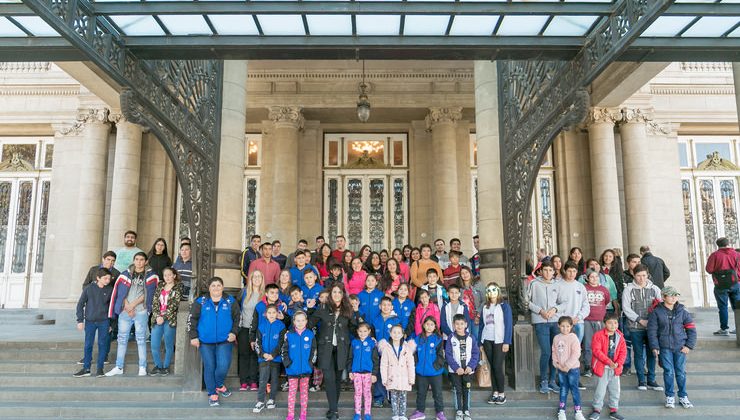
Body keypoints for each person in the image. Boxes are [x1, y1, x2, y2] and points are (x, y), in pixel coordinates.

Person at [187, 277, 240, 406]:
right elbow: (191, 319)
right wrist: (193, 336)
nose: (216, 288)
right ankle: (212, 393)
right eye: (213, 285)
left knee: (223, 366)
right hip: (205, 341)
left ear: (222, 287)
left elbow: (238, 318)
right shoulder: (201, 301)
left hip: (225, 340)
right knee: (209, 366)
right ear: (209, 288)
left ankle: (219, 384)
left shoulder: (230, 301)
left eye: (218, 285)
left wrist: (234, 332)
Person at [106, 252, 158, 377]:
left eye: (141, 260)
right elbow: (119, 291)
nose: (139, 262)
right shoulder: (125, 274)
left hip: (140, 310)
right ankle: (119, 366)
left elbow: (149, 294)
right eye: (137, 259)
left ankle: (142, 367)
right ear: (134, 260)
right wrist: (127, 306)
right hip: (125, 311)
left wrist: (132, 305)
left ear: (145, 261)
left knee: (140, 339)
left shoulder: (151, 276)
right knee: (122, 339)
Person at [309, 284, 356, 420]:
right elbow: (310, 323)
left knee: (336, 381)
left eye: (339, 292)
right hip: (326, 349)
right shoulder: (323, 308)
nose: (336, 294)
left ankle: (332, 409)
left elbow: (354, 329)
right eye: (334, 292)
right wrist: (310, 309)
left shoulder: (348, 309)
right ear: (330, 294)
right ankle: (334, 411)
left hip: (341, 349)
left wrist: (357, 313)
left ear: (343, 295)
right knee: (329, 379)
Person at [648, 286, 697, 410]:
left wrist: (688, 345)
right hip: (664, 347)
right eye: (671, 295)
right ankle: (670, 396)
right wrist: (655, 346)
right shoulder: (656, 312)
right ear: (663, 297)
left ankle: (683, 396)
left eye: (676, 295)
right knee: (669, 372)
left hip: (680, 347)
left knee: (680, 372)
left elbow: (691, 330)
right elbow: (652, 331)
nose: (674, 297)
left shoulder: (683, 311)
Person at [622, 264, 663, 392]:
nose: (641, 278)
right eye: (638, 275)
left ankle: (651, 379)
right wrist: (640, 320)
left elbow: (661, 305)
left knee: (652, 353)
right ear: (634, 275)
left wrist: (652, 322)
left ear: (648, 275)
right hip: (635, 327)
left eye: (644, 275)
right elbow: (626, 308)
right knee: (639, 354)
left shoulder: (655, 289)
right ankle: (641, 380)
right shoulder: (628, 289)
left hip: (652, 328)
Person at [528, 260, 561, 394]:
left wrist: (555, 309)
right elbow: (527, 301)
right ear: (541, 271)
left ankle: (553, 380)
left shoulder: (558, 285)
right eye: (545, 270)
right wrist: (540, 311)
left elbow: (563, 302)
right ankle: (544, 380)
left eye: (550, 270)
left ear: (554, 272)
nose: (548, 273)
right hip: (540, 321)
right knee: (546, 351)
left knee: (555, 352)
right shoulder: (534, 283)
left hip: (555, 321)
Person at [74, 268, 113, 378]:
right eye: (105, 278)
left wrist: (111, 324)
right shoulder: (89, 289)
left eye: (109, 279)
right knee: (88, 345)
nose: (107, 280)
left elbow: (113, 308)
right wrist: (80, 320)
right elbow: (80, 305)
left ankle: (100, 369)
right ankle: (86, 368)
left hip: (104, 322)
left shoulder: (110, 290)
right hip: (90, 321)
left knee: (102, 344)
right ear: (98, 278)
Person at [477, 282, 512, 405]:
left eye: (494, 290)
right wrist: (479, 342)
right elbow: (481, 325)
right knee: (493, 367)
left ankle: (502, 393)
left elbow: (508, 325)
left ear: (498, 291)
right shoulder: (485, 307)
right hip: (487, 340)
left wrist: (507, 342)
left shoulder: (504, 306)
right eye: (489, 290)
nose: (491, 293)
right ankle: (495, 392)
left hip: (499, 341)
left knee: (497, 366)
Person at [588, 313, 627, 420]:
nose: (613, 325)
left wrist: (619, 363)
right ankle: (597, 410)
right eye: (610, 323)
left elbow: (623, 352)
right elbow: (597, 351)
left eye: (615, 323)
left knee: (615, 390)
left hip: (615, 368)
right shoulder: (598, 335)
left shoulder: (620, 336)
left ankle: (613, 410)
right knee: (600, 390)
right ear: (604, 323)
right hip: (602, 367)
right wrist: (608, 362)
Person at [410, 317, 446, 420]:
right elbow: (413, 354)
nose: (429, 326)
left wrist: (435, 366)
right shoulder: (418, 339)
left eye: (431, 324)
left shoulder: (438, 339)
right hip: (421, 372)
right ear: (423, 325)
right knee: (421, 392)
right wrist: (416, 365)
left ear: (435, 326)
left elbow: (440, 356)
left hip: (435, 372)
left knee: (437, 393)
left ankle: (440, 412)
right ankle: (420, 411)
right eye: (427, 324)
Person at [282, 310, 316, 420]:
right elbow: (284, 351)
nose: (300, 323)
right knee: (292, 393)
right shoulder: (289, 335)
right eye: (298, 320)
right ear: (294, 322)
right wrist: (288, 364)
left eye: (302, 320)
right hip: (292, 370)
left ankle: (303, 414)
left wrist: (310, 364)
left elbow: (314, 351)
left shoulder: (310, 335)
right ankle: (290, 414)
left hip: (305, 370)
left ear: (306, 321)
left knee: (304, 393)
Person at [149, 266, 183, 376]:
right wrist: (158, 316)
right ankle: (158, 366)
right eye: (165, 275)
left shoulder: (178, 287)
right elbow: (154, 302)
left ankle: (166, 366)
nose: (167, 277)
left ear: (174, 276)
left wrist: (163, 317)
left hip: (170, 319)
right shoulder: (160, 286)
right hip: (157, 319)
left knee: (168, 345)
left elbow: (175, 304)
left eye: (169, 275)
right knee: (154, 344)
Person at [445, 313, 480, 420]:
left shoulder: (471, 338)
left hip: (468, 371)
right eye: (457, 324)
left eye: (461, 324)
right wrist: (456, 368)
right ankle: (459, 410)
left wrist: (471, 366)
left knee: (467, 390)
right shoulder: (451, 338)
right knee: (457, 390)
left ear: (466, 324)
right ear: (453, 325)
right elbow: (448, 355)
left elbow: (475, 353)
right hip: (456, 371)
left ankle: (466, 410)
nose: (459, 326)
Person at [253, 304, 286, 413]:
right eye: (269, 313)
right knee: (263, 379)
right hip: (263, 359)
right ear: (265, 314)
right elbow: (258, 343)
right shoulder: (261, 326)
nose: (272, 315)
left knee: (274, 380)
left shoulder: (281, 326)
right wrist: (263, 354)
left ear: (277, 313)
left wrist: (273, 355)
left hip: (275, 359)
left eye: (274, 312)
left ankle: (271, 399)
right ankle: (260, 401)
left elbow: (282, 343)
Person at [379, 324, 416, 420]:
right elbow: (384, 365)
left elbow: (411, 364)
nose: (396, 334)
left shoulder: (407, 348)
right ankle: (395, 414)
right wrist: (384, 378)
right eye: (394, 332)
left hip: (404, 377)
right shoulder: (386, 348)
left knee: (403, 397)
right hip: (392, 376)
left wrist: (411, 378)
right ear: (390, 334)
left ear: (403, 334)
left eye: (399, 332)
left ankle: (402, 414)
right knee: (394, 396)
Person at [704, 237, 740, 336]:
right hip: (735, 283)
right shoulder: (737, 254)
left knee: (723, 307)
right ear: (728, 243)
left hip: (720, 285)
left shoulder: (714, 255)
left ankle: (724, 329)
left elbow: (709, 269)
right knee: (738, 307)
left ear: (718, 245)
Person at [552, 316, 586, 420]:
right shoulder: (556, 338)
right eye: (562, 326)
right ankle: (562, 411)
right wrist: (557, 364)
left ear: (571, 326)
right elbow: (554, 352)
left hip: (573, 369)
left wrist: (567, 366)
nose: (565, 328)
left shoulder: (573, 337)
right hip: (561, 369)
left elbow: (576, 353)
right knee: (563, 389)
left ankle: (578, 411)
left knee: (574, 389)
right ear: (558, 326)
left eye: (567, 326)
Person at [238, 270, 265, 392]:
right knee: (244, 355)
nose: (257, 279)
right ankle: (244, 381)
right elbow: (237, 309)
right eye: (255, 276)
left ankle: (253, 381)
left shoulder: (264, 294)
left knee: (255, 355)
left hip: (258, 330)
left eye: (259, 276)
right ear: (251, 279)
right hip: (244, 328)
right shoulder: (244, 292)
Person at [582, 269, 611, 378]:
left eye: (596, 276)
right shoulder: (584, 288)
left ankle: (599, 365)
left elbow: (607, 301)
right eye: (592, 277)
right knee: (588, 344)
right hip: (587, 320)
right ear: (587, 278)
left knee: (600, 344)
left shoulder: (603, 289)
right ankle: (587, 366)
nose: (594, 279)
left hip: (600, 320)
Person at [348, 323, 379, 420]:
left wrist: (374, 373)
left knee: (367, 393)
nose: (362, 333)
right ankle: (357, 413)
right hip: (356, 373)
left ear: (369, 331)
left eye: (365, 331)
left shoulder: (372, 343)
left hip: (368, 373)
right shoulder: (354, 342)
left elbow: (375, 359)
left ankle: (367, 413)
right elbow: (350, 358)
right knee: (358, 392)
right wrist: (350, 371)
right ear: (357, 332)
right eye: (360, 331)